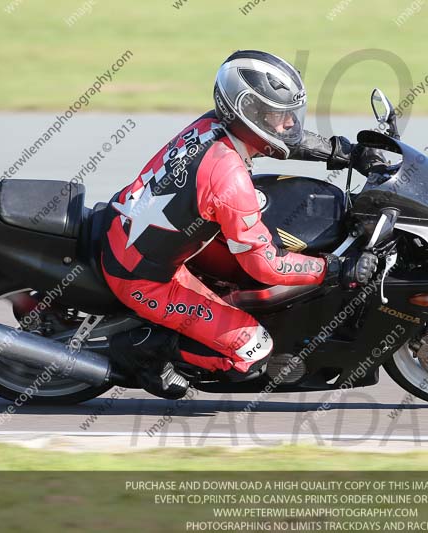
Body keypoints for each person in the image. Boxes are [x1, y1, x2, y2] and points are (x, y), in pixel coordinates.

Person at [100, 50, 382, 395]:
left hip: (131, 228)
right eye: (281, 115)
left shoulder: (213, 125)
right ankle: (145, 349)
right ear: (249, 112)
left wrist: (343, 151)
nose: (291, 123)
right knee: (254, 350)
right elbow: (266, 266)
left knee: (241, 278)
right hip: (143, 279)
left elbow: (283, 140)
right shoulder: (229, 180)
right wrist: (336, 269)